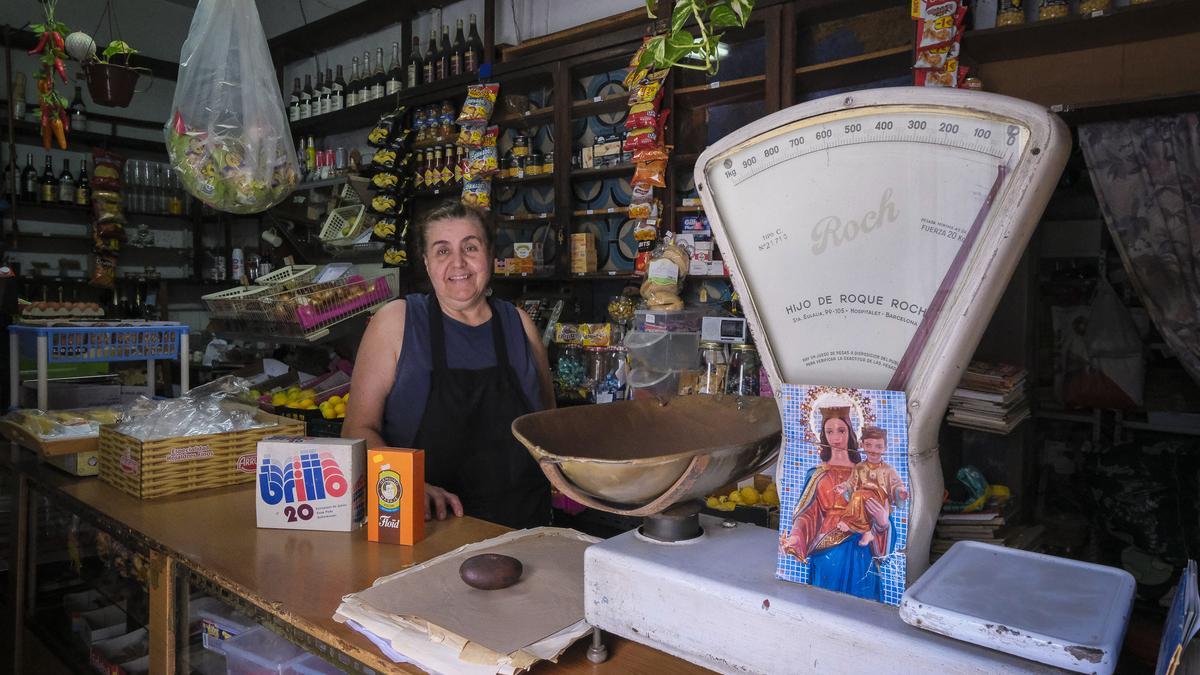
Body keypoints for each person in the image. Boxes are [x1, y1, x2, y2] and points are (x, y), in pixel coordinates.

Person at [343, 201, 555, 528]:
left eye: (470, 247)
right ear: (427, 263)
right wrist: (405, 484)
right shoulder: (397, 322)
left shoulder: (519, 324)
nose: (458, 262)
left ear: (489, 256)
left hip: (522, 524)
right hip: (425, 526)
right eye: (442, 251)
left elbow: (549, 426)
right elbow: (356, 431)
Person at [780, 408, 892, 601]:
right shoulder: (816, 474)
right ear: (822, 434)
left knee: (862, 603)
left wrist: (883, 523)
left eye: (841, 430)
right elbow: (807, 514)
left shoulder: (866, 472)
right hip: (826, 550)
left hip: (859, 548)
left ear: (850, 432)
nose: (836, 437)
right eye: (829, 431)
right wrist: (796, 537)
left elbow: (881, 508)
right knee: (824, 603)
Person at [834, 426, 908, 547]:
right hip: (861, 503)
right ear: (862, 445)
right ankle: (867, 531)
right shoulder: (859, 467)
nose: (873, 450)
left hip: (879, 501)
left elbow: (896, 485)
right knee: (858, 495)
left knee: (859, 495)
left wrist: (900, 492)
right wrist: (845, 487)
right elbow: (852, 483)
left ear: (885, 448)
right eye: (868, 445)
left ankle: (851, 523)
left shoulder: (888, 469)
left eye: (878, 446)